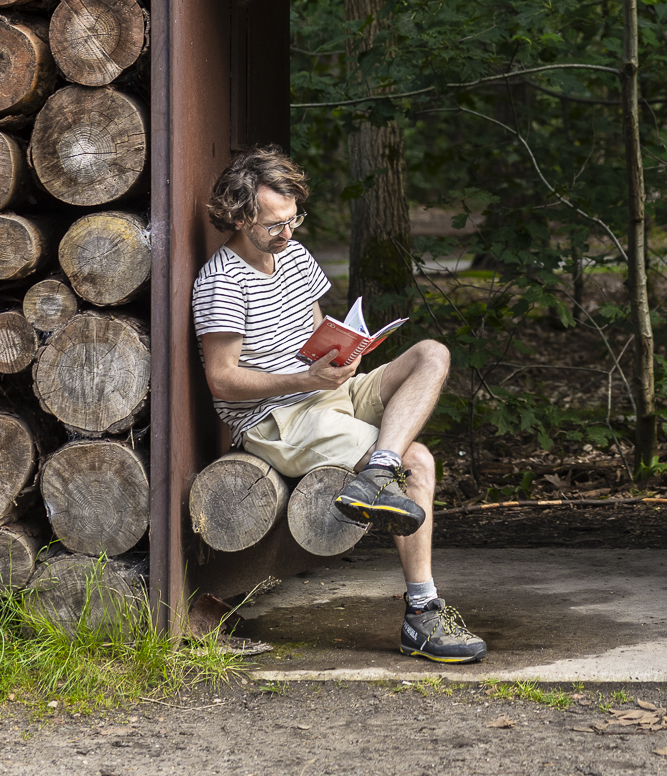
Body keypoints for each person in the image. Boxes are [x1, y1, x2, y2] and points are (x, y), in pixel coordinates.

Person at [191, 146, 487, 664]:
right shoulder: (221, 280)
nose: (288, 235)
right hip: (278, 420)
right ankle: (422, 615)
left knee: (431, 354)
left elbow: (314, 332)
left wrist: (344, 355)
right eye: (273, 226)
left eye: (293, 220)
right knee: (420, 463)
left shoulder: (296, 257)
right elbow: (221, 381)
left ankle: (378, 469)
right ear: (239, 218)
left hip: (329, 391)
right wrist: (304, 377)